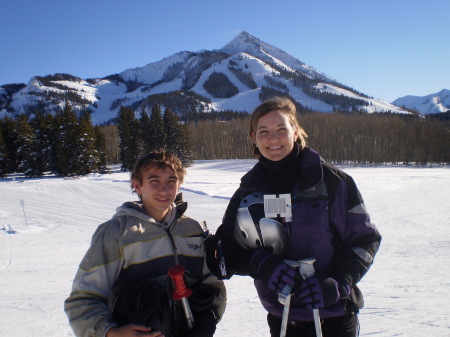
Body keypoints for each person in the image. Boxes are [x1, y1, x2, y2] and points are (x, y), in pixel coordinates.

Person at [206, 97, 381, 337]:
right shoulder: (248, 190)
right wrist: (262, 265)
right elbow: (228, 250)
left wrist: (339, 283)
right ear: (253, 137)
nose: (273, 139)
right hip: (283, 319)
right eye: (264, 131)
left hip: (335, 317)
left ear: (296, 131)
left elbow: (366, 239)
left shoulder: (333, 182)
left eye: (281, 130)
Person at [65, 150, 226, 337]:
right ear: (137, 186)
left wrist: (208, 321)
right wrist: (111, 332)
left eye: (171, 182)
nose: (164, 190)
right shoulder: (116, 233)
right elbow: (82, 299)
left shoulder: (192, 229)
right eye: (154, 181)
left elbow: (213, 283)